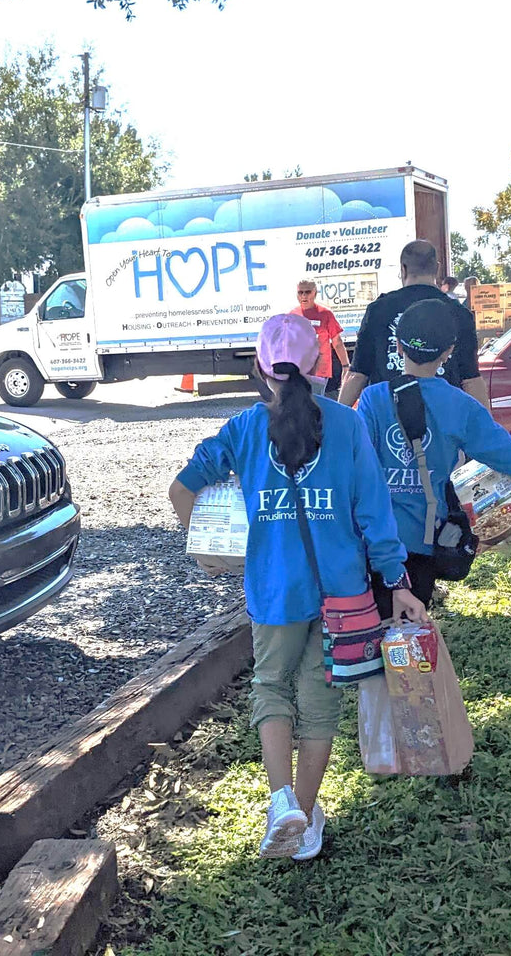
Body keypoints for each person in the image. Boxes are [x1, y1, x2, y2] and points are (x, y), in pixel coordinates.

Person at [169, 313, 425, 862]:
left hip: (273, 590)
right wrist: (397, 581)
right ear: (317, 365)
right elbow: (374, 514)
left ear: (262, 369)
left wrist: (217, 554)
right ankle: (306, 817)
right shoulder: (348, 424)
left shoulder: (242, 428)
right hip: (342, 595)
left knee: (270, 687)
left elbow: (183, 489)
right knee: (318, 699)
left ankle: (281, 799)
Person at [357, 299, 511, 619]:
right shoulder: (460, 405)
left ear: (398, 346)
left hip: (370, 543)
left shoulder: (373, 399)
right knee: (407, 646)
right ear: (448, 352)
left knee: (366, 643)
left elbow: (355, 470)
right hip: (424, 547)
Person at [338, 240, 490, 410]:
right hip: (445, 417)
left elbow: (358, 375)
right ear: (437, 268)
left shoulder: (378, 310)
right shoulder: (459, 313)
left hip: (388, 421)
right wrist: (489, 428)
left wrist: (335, 421)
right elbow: (471, 380)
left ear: (403, 269)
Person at [291, 280, 350, 394]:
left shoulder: (325, 314)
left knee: (316, 404)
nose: (303, 296)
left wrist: (346, 365)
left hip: (319, 371)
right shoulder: (292, 315)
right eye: (300, 292)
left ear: (315, 293)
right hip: (299, 371)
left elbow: (337, 342)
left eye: (307, 292)